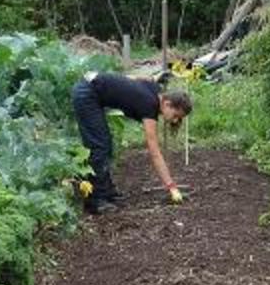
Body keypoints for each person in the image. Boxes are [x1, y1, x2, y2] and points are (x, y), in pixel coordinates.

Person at [71, 71, 193, 213]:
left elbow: (133, 78)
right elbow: (154, 152)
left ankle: (107, 192)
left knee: (105, 144)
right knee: (99, 146)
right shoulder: (149, 105)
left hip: (91, 85)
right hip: (87, 93)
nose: (175, 120)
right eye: (176, 115)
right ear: (167, 103)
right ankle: (96, 200)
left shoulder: (156, 90)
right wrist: (171, 185)